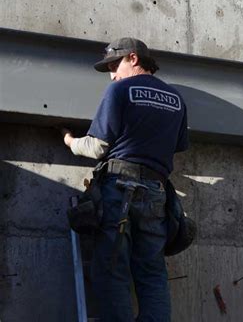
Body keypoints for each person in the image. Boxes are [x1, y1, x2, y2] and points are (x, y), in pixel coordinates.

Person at [62, 37, 189, 322]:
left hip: (119, 188)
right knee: (152, 274)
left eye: (114, 64)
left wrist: (70, 141)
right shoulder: (176, 99)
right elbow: (178, 145)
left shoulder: (120, 90)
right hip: (156, 193)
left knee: (111, 269)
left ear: (133, 58)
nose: (112, 74)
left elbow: (98, 147)